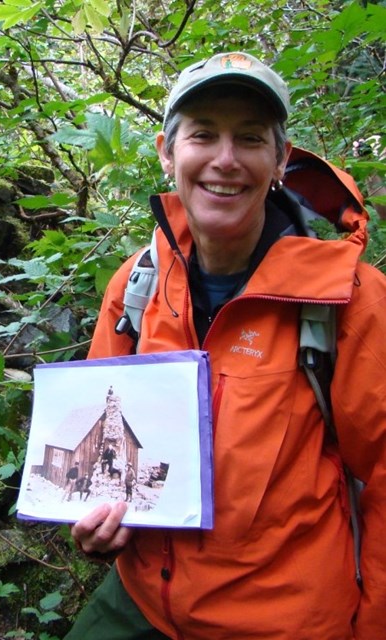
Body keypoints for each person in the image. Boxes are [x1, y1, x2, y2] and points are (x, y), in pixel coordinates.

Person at [65, 52, 386, 640]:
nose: (225, 160)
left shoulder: (349, 303)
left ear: (280, 159)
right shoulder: (137, 284)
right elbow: (95, 456)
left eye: (250, 138)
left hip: (283, 617)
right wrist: (91, 520)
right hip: (141, 597)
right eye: (203, 134)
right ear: (167, 151)